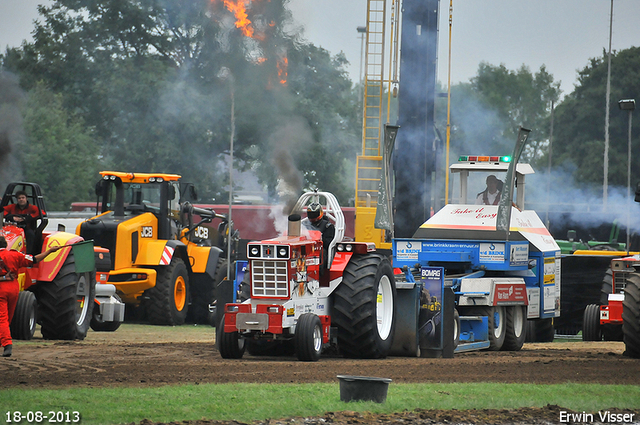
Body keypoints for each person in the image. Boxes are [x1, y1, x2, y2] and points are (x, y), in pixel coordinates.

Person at [0, 236, 64, 357]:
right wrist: (50, 251)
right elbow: (34, 259)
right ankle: (3, 341)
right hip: (14, 288)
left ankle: (7, 344)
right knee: (8, 316)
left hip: (1, 288)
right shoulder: (15, 255)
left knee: (1, 318)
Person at [305, 203, 335, 273]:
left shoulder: (328, 226)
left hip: (320, 248)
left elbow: (328, 243)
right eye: (311, 214)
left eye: (314, 214)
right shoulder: (304, 224)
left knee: (321, 252)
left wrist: (320, 238)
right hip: (306, 247)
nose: (313, 216)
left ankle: (318, 273)